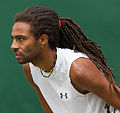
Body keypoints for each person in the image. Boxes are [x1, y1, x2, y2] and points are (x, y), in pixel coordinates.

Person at [11, 6, 120, 113]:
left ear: (43, 39)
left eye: (21, 39)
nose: (13, 46)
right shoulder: (29, 69)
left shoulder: (78, 69)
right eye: (14, 39)